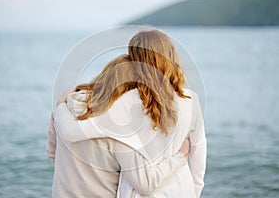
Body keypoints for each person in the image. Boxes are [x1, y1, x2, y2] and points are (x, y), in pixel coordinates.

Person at [47, 29, 206, 197]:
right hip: (181, 188)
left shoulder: (73, 108)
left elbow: (55, 151)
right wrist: (183, 162)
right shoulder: (190, 100)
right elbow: (197, 159)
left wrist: (61, 105)